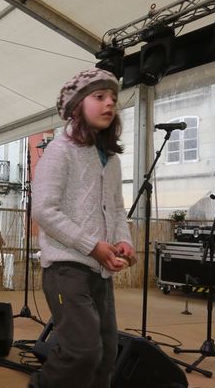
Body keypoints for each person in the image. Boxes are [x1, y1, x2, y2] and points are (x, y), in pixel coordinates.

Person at [28, 68, 136, 388]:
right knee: (83, 351)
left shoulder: (111, 160)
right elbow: (44, 210)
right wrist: (93, 245)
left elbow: (116, 208)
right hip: (65, 270)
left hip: (99, 273)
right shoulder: (59, 151)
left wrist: (122, 240)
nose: (109, 104)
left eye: (113, 99)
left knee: (104, 356)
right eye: (99, 97)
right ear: (77, 106)